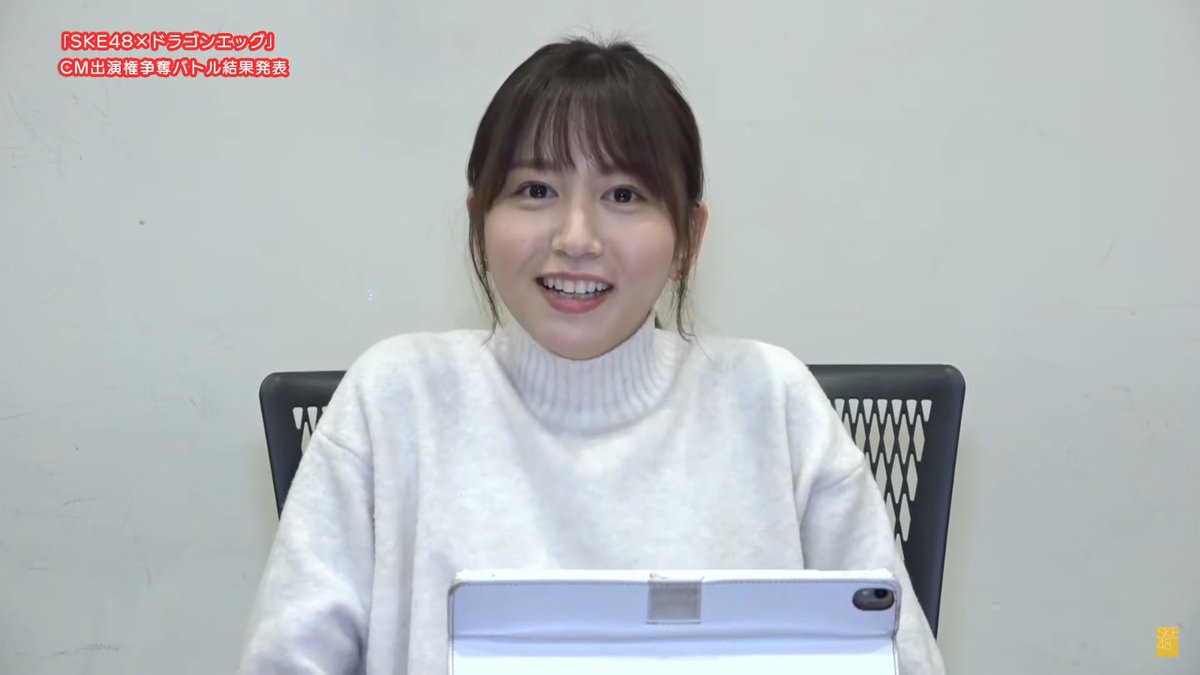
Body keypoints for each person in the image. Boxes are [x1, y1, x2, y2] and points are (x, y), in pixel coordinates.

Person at [237, 36, 946, 674]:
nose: (576, 237)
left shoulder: (773, 400)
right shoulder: (394, 398)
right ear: (480, 222)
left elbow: (900, 656)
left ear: (689, 238)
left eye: (624, 194)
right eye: (535, 190)